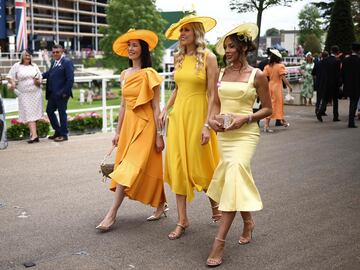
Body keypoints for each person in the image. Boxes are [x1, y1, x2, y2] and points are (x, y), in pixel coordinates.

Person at [205, 23, 272, 267]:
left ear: (243, 47)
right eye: (225, 47)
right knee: (236, 178)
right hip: (224, 134)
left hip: (246, 134)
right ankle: (248, 221)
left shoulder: (258, 75)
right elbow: (214, 103)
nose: (228, 51)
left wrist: (246, 118)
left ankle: (219, 242)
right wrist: (211, 121)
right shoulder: (221, 74)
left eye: (231, 46)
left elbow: (268, 109)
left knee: (234, 171)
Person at [96, 29, 167, 231]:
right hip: (128, 127)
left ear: (143, 50)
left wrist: (159, 136)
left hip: (146, 127)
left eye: (135, 45)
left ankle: (111, 215)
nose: (131, 48)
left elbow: (156, 107)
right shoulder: (125, 74)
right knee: (144, 168)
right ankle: (161, 203)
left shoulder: (151, 74)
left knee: (128, 168)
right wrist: (117, 132)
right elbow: (123, 105)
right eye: (129, 45)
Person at [161, 15, 220, 240]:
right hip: (179, 118)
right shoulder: (178, 57)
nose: (182, 34)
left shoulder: (209, 57)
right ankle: (182, 220)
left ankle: (216, 208)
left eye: (186, 30)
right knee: (178, 167)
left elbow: (213, 93)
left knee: (201, 165)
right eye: (180, 30)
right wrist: (165, 108)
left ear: (196, 32)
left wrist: (207, 125)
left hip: (198, 116)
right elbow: (178, 88)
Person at [6, 49, 43, 143]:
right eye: (26, 55)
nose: (28, 57)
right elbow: (9, 77)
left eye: (29, 55)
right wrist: (13, 82)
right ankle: (34, 135)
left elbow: (40, 79)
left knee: (34, 115)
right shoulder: (17, 66)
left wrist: (37, 81)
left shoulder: (34, 66)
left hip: (36, 93)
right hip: (24, 94)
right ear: (22, 56)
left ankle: (34, 135)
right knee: (29, 113)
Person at [43, 44, 74, 142]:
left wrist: (65, 93)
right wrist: (39, 75)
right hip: (52, 93)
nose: (55, 54)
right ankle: (58, 131)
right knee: (49, 111)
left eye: (57, 52)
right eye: (54, 52)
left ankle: (64, 135)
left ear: (62, 51)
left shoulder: (67, 62)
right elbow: (50, 73)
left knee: (62, 113)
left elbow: (70, 79)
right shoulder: (54, 61)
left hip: (62, 94)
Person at [263, 49, 293, 132]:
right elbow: (283, 78)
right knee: (275, 105)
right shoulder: (280, 66)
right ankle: (266, 125)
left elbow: (264, 77)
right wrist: (289, 86)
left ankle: (282, 121)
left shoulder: (267, 67)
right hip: (277, 88)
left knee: (274, 105)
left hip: (270, 86)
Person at [316, 45, 341, 122]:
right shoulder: (337, 61)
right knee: (335, 101)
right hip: (334, 83)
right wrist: (340, 83)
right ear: (337, 52)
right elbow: (338, 74)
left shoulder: (325, 60)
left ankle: (320, 112)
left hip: (326, 83)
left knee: (325, 100)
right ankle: (335, 116)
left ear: (331, 51)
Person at [341, 42, 360, 128]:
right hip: (357, 85)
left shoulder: (346, 60)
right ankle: (351, 122)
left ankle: (351, 120)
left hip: (348, 85)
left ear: (351, 49)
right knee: (354, 103)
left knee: (352, 102)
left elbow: (342, 73)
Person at [312, 51, 329, 115]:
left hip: (318, 82)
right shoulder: (328, 64)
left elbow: (313, 73)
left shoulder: (317, 63)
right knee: (325, 98)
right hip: (326, 82)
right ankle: (322, 110)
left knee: (318, 98)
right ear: (327, 56)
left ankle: (317, 109)